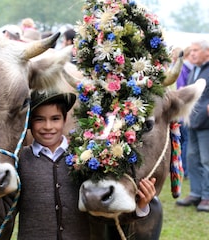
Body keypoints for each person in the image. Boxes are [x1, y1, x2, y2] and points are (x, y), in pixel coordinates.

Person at [17, 89, 157, 239]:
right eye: (39, 119)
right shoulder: (21, 160)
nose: (48, 126)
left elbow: (101, 216)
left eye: (55, 118)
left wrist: (140, 206)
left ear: (64, 120)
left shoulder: (83, 158)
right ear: (29, 123)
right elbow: (2, 212)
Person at [176, 39, 209, 212]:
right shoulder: (195, 70)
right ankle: (196, 193)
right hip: (192, 122)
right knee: (192, 158)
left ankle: (207, 197)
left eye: (196, 50)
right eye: (192, 50)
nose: (193, 53)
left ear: (207, 52)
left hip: (206, 123)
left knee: (207, 160)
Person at [176, 46, 194, 179]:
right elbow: (182, 88)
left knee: (183, 143)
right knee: (186, 142)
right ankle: (185, 170)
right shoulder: (185, 69)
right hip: (185, 113)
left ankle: (183, 170)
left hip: (183, 113)